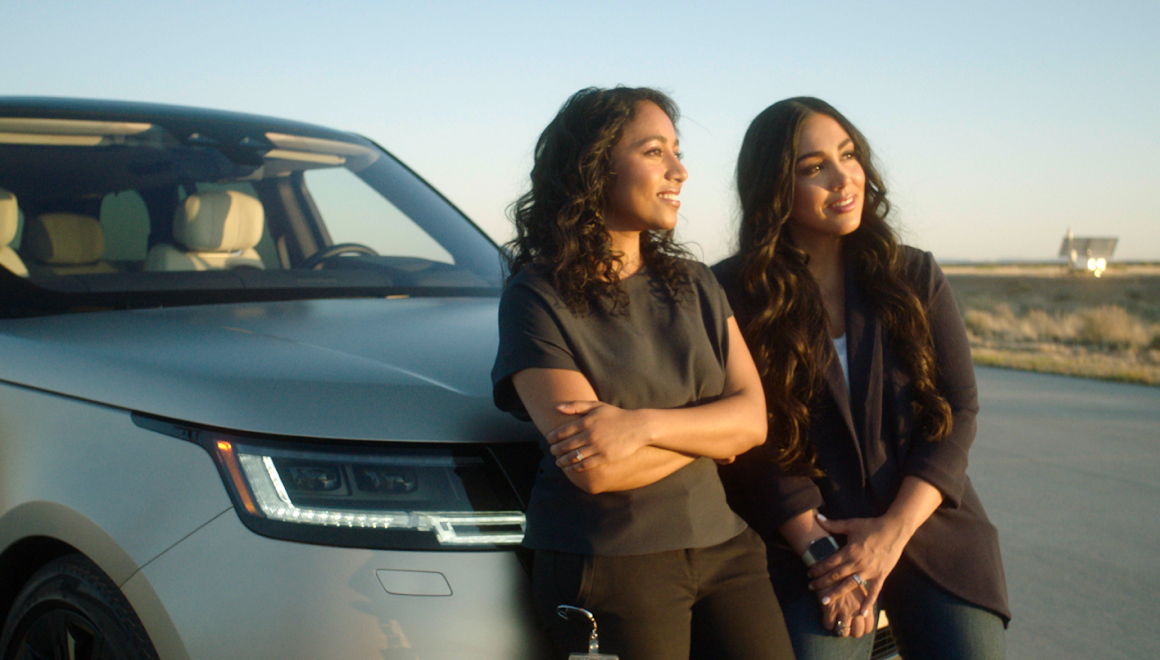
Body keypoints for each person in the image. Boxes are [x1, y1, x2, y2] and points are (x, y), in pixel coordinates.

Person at [492, 87, 795, 660]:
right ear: (594, 165)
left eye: (677, 152)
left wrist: (640, 427)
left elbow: (753, 421)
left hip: (726, 547)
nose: (680, 171)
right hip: (610, 562)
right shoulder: (535, 297)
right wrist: (711, 436)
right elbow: (595, 469)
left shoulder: (697, 283)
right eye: (655, 152)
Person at [713, 97, 1010, 660]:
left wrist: (891, 534)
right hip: (808, 546)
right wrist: (824, 555)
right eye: (813, 167)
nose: (843, 177)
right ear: (775, 188)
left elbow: (957, 410)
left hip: (927, 528)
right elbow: (755, 444)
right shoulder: (734, 292)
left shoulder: (914, 275)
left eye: (848, 155)